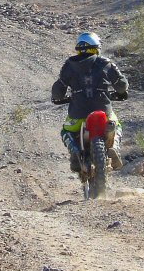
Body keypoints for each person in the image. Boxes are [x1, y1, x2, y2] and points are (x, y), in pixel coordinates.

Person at [51, 32, 128, 173]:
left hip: (77, 114)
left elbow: (58, 90)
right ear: (97, 47)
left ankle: (74, 151)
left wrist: (58, 98)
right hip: (103, 111)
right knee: (116, 126)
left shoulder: (69, 64)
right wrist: (121, 93)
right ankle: (114, 149)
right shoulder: (106, 63)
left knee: (66, 131)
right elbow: (122, 85)